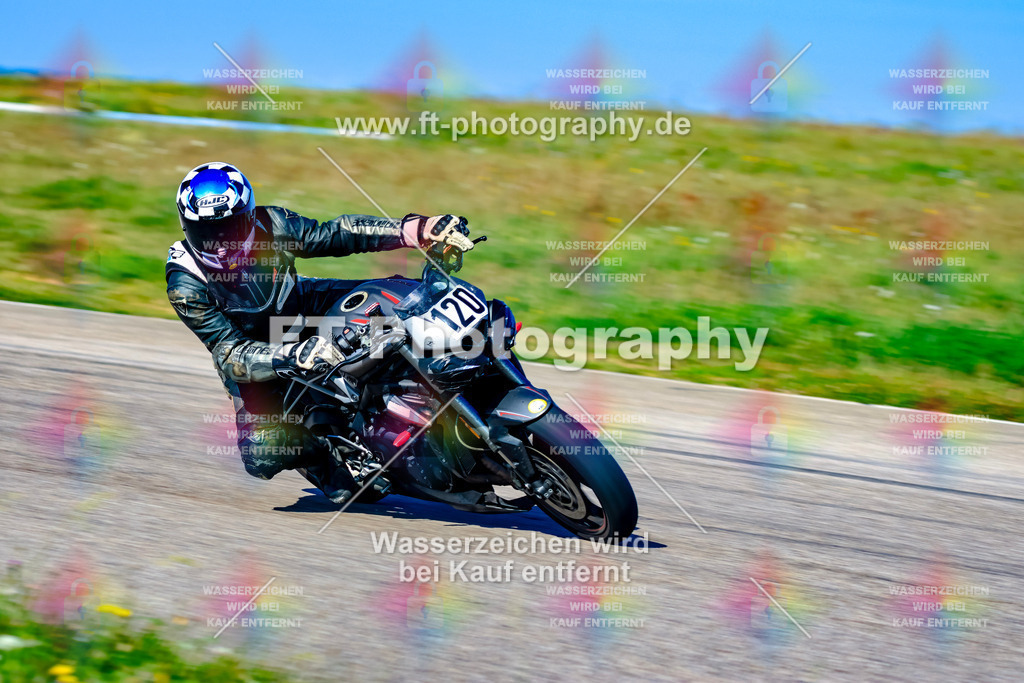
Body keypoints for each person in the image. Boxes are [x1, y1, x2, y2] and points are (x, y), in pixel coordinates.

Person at [166, 161, 474, 504]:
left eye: (229, 230)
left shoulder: (271, 224)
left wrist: (415, 229)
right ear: (186, 226)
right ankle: (333, 461)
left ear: (249, 217)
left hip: (302, 302)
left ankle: (458, 371)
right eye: (207, 233)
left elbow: (336, 234)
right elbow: (228, 353)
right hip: (260, 359)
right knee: (261, 454)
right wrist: (290, 356)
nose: (221, 246)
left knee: (403, 295)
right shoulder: (186, 284)